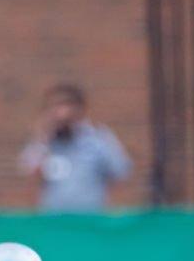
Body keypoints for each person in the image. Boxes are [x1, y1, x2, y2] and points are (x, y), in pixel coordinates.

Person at [20, 83, 129, 211]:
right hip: (54, 222)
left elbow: (120, 171)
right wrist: (43, 140)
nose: (61, 113)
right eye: (55, 106)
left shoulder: (98, 138)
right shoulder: (43, 142)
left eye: (67, 105)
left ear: (79, 109)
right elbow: (30, 175)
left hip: (91, 221)